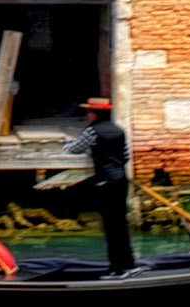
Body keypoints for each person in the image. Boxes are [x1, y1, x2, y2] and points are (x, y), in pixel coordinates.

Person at [36, 97, 135, 274]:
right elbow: (125, 156)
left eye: (89, 111)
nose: (88, 114)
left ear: (95, 113)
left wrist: (66, 141)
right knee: (120, 223)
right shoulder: (119, 130)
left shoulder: (93, 131)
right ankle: (128, 263)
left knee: (110, 226)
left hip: (105, 181)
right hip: (121, 180)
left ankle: (117, 268)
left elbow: (73, 149)